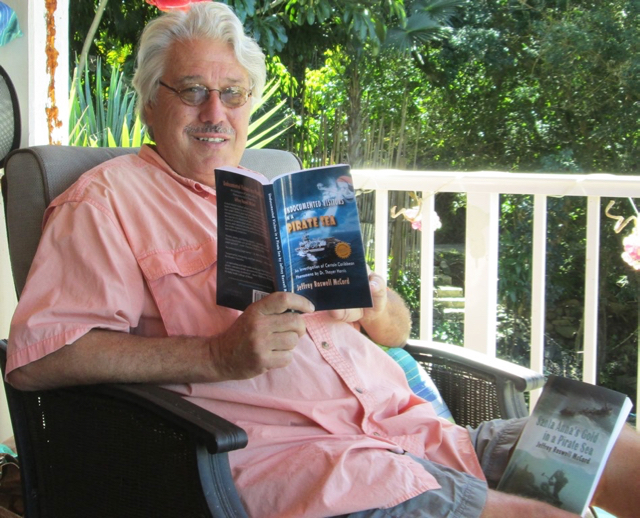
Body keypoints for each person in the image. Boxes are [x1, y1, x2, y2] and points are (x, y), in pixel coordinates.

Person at [5, 4, 639, 518]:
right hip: (319, 471)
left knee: (610, 452)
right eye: (193, 91)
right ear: (149, 101)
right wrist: (217, 356)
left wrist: (377, 302)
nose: (216, 113)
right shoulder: (109, 199)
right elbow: (42, 357)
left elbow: (396, 333)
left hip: (418, 436)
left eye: (233, 93)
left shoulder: (279, 194)